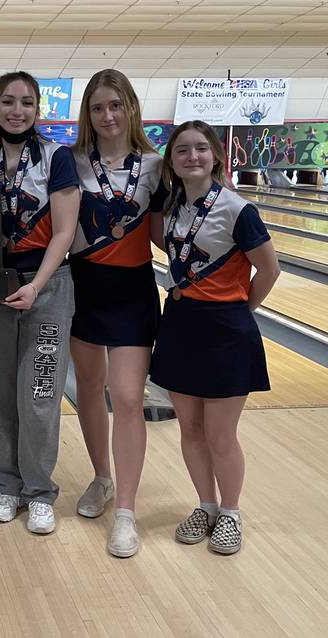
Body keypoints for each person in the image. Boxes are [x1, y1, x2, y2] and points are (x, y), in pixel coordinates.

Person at [150, 120, 279, 555]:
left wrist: (239, 311)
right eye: (182, 150)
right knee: (189, 427)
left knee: (220, 433)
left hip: (226, 329)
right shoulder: (170, 209)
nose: (192, 157)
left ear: (215, 157)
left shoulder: (237, 209)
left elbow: (270, 269)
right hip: (181, 324)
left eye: (200, 149)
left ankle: (230, 512)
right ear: (172, 160)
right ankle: (204, 506)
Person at [68, 69, 167, 557]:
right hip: (81, 287)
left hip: (132, 290)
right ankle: (101, 478)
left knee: (126, 397)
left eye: (116, 105)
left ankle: (125, 511)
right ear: (87, 114)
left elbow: (163, 235)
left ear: (131, 108)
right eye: (98, 107)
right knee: (88, 387)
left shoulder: (155, 165)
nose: (108, 116)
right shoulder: (70, 162)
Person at [0, 71, 79, 534]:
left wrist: (36, 285)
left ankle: (39, 492)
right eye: (8, 101)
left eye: (27, 103)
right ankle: (6, 486)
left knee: (39, 393)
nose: (18, 111)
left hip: (48, 287)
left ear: (39, 110)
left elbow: (63, 232)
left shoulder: (57, 157)